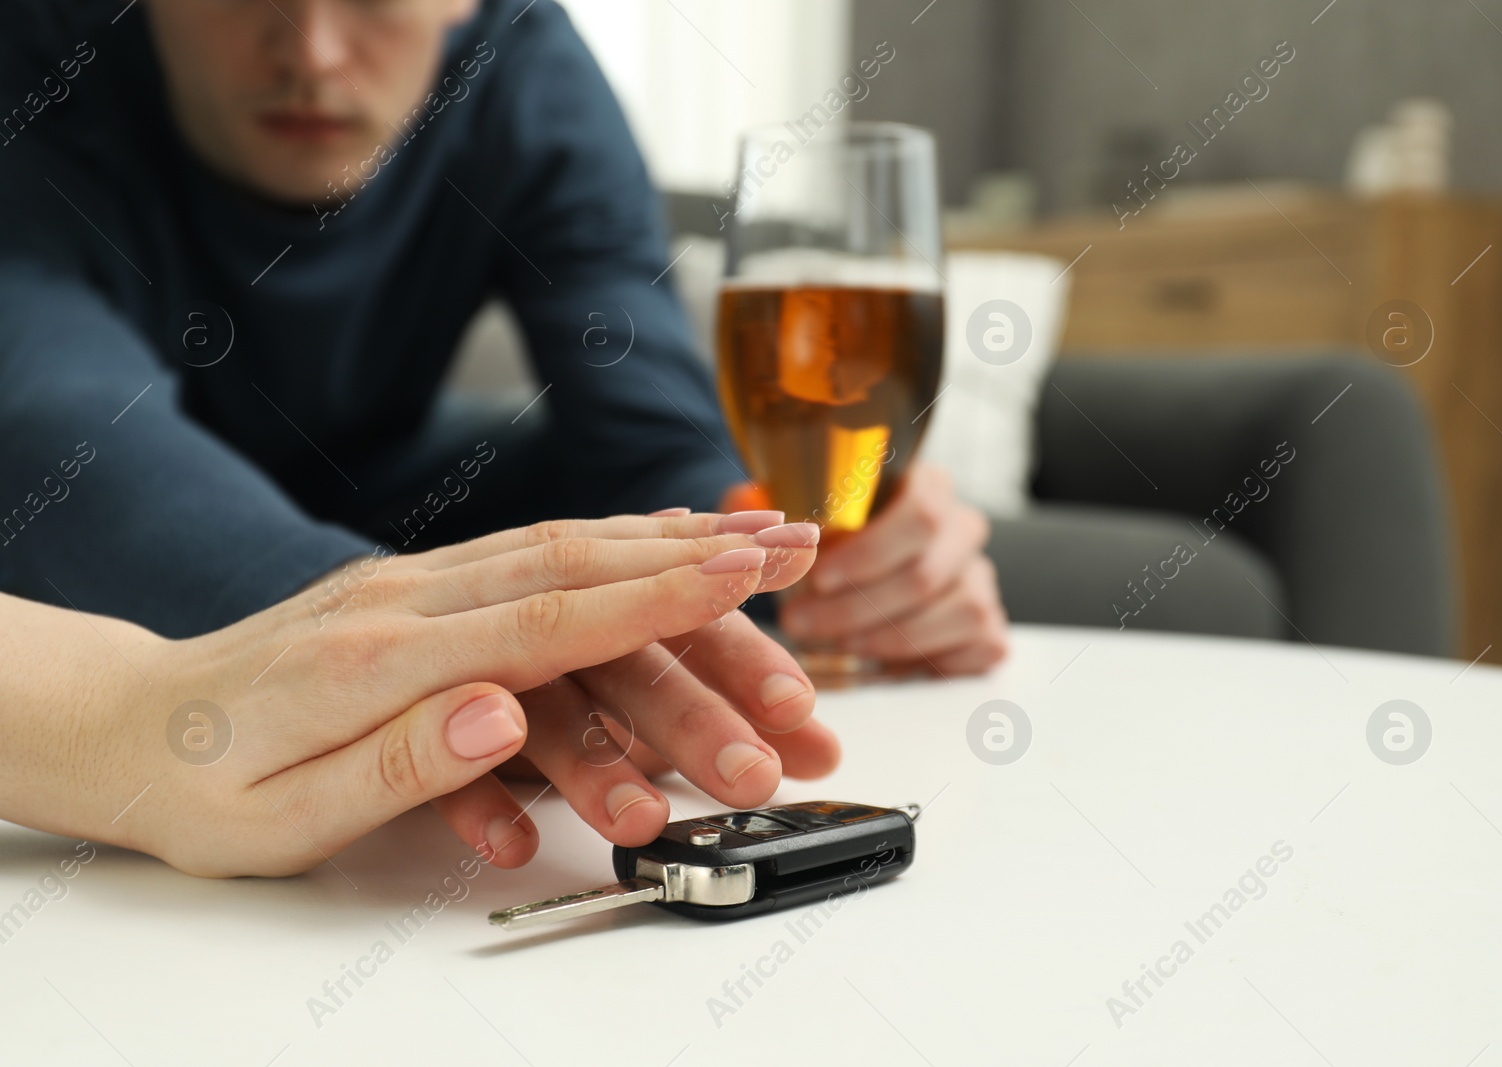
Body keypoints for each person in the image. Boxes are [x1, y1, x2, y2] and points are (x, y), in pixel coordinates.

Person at [0, 0, 1007, 865]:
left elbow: (647, 426)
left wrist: (782, 565)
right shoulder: (39, 51)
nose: (309, 50)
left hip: (396, 497)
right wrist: (381, 637)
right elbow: (52, 425)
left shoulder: (523, 61)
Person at [0, 513, 844, 876]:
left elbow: (639, 396)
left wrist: (847, 576)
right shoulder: (55, 158)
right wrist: (119, 709)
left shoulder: (538, 137)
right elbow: (50, 399)